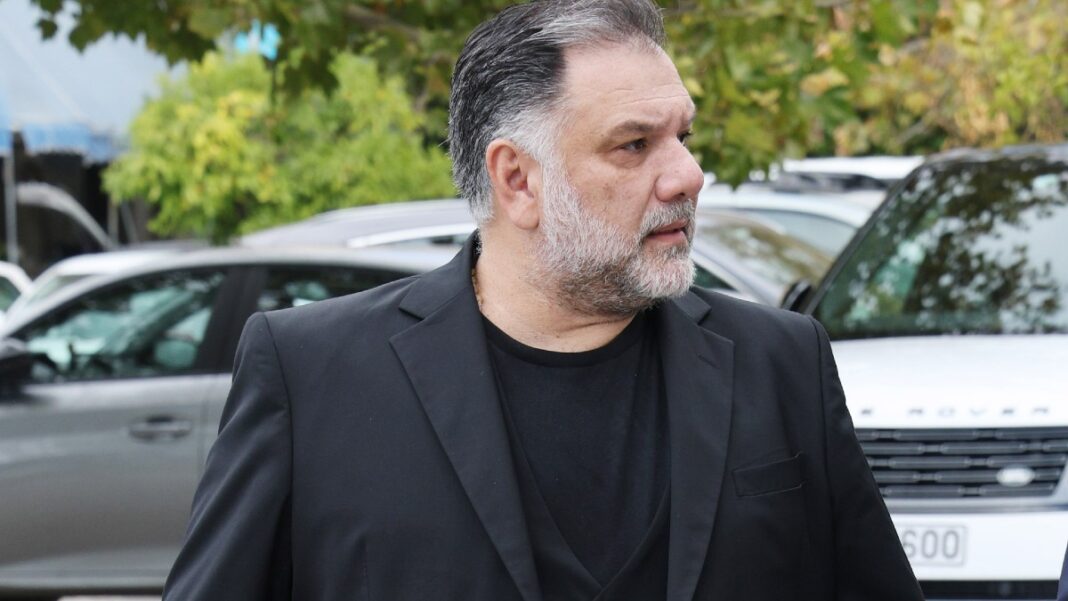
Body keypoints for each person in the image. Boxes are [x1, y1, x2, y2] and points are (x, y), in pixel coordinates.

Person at [163, 1, 924, 599]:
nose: (688, 175)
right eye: (634, 145)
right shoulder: (312, 374)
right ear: (518, 180)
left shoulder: (781, 362)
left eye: (684, 137)